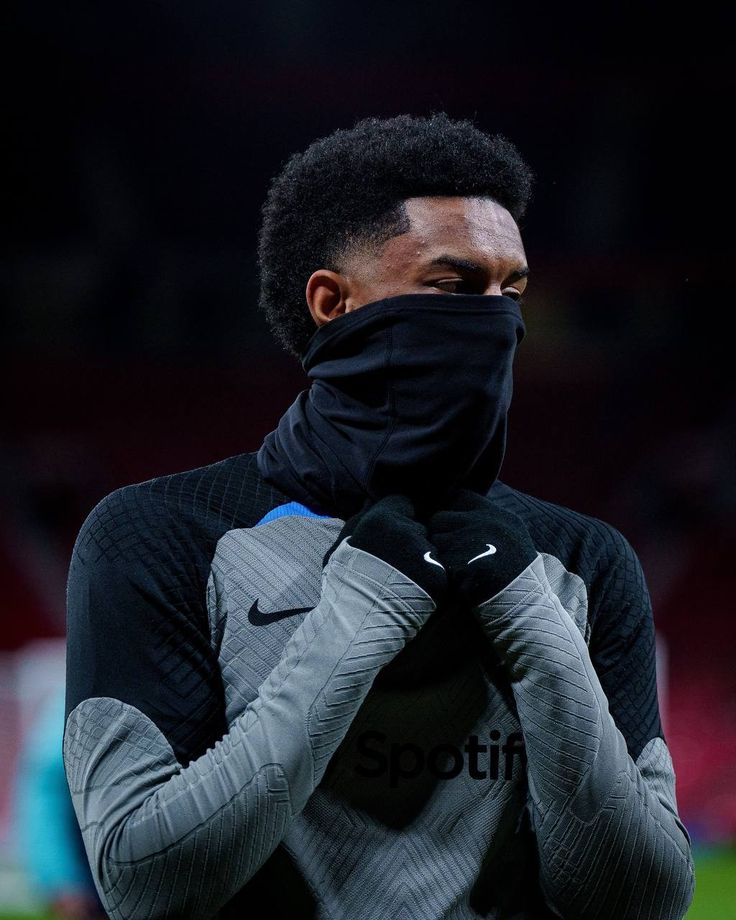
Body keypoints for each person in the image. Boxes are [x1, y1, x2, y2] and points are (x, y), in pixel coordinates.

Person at [62, 113, 695, 919]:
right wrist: (363, 611)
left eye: (514, 290)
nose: (498, 320)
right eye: (456, 286)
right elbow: (147, 886)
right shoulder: (159, 536)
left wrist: (533, 626)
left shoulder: (584, 560)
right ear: (332, 301)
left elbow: (640, 902)